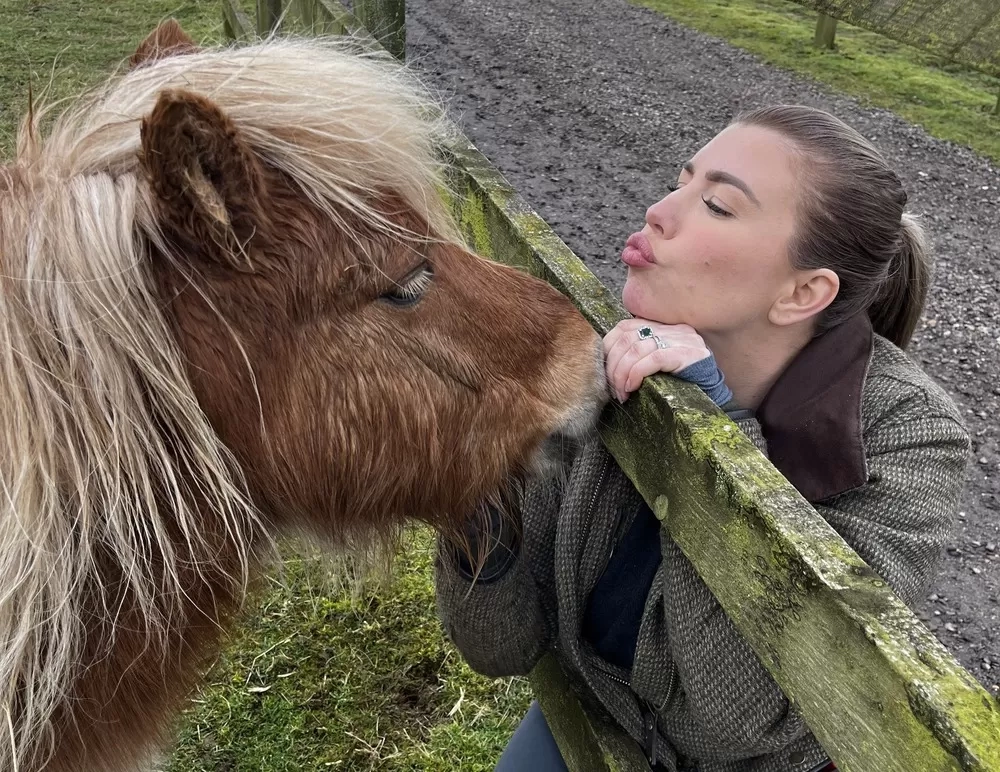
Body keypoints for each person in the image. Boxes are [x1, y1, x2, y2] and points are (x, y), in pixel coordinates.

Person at [435, 105, 971, 772]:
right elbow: (498, 643)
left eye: (717, 205)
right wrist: (476, 482)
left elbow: (735, 724)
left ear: (803, 292)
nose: (660, 209)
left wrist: (715, 444)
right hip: (592, 713)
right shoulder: (615, 355)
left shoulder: (906, 438)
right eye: (679, 181)